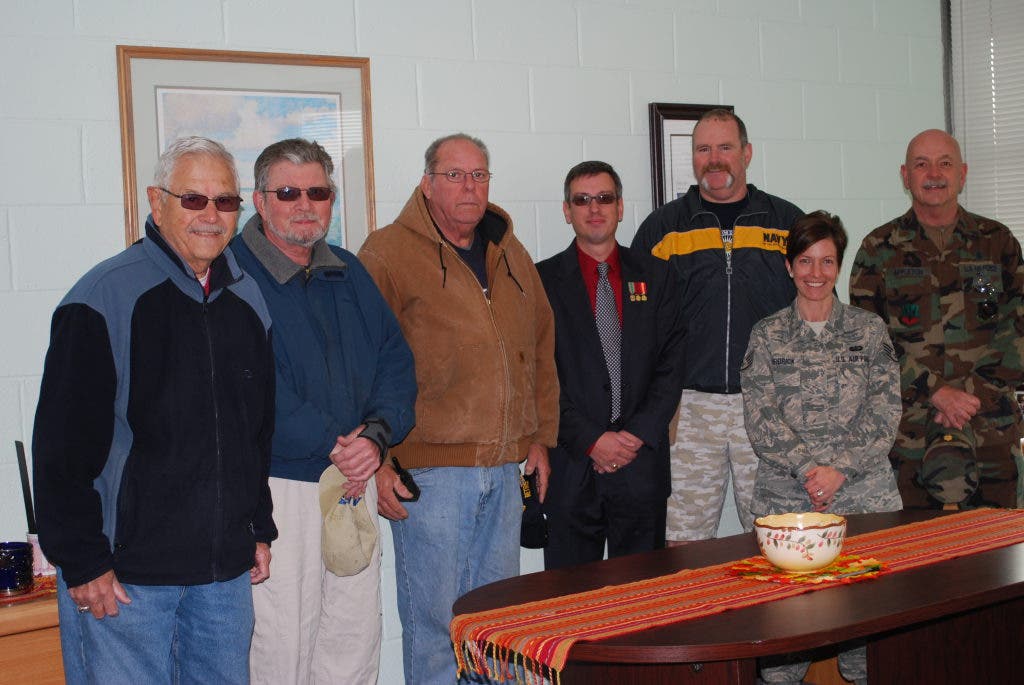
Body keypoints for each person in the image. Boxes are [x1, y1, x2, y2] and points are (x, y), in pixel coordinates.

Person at [32, 137, 276, 684]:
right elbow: (61, 449)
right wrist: (83, 558)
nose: (211, 216)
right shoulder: (102, 297)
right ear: (156, 201)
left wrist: (257, 526)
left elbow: (254, 434)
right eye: (193, 200)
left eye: (226, 201)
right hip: (125, 582)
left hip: (222, 581)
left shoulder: (248, 300)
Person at [358, 132, 558, 684]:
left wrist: (538, 437)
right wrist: (377, 461)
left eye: (479, 175)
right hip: (430, 473)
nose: (469, 187)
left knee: (496, 624)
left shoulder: (509, 251)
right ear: (427, 183)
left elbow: (541, 343)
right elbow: (362, 361)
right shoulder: (387, 253)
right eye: (454, 175)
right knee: (435, 628)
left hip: (503, 465)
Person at [230, 138, 416, 684]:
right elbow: (251, 383)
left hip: (353, 479)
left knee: (353, 638)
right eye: (288, 192)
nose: (305, 204)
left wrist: (377, 438)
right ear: (260, 201)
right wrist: (338, 444)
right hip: (281, 485)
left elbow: (395, 361)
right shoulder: (232, 276)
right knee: (282, 641)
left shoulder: (348, 271)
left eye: (319, 191)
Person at [741, 210, 902, 685]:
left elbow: (885, 411)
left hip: (864, 500)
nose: (816, 273)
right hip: (789, 507)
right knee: (784, 649)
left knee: (871, 644)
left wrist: (839, 470)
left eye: (827, 262)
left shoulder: (869, 331)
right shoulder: (766, 335)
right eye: (806, 261)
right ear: (789, 266)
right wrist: (811, 470)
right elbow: (760, 418)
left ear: (839, 266)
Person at [631, 108, 803, 541]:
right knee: (681, 541)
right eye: (703, 149)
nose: (714, 159)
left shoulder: (786, 224)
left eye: (725, 147)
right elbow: (635, 324)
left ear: (746, 153)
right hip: (688, 411)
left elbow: (819, 312)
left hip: (768, 405)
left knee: (777, 535)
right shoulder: (663, 229)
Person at [850, 129, 1024, 509]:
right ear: (905, 175)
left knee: (998, 555)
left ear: (962, 173)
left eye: (945, 163)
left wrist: (969, 395)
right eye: (921, 164)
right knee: (915, 554)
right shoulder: (878, 249)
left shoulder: (998, 242)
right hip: (911, 433)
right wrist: (937, 392)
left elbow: (1018, 329)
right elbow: (867, 342)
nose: (934, 173)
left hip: (989, 430)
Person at [535, 161, 686, 570]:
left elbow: (672, 365)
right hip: (573, 466)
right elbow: (538, 376)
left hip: (642, 467)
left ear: (620, 207)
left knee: (641, 603)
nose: (594, 208)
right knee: (571, 604)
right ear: (567, 211)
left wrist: (635, 435)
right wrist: (591, 439)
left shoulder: (658, 276)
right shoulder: (540, 282)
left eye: (604, 198)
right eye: (582, 200)